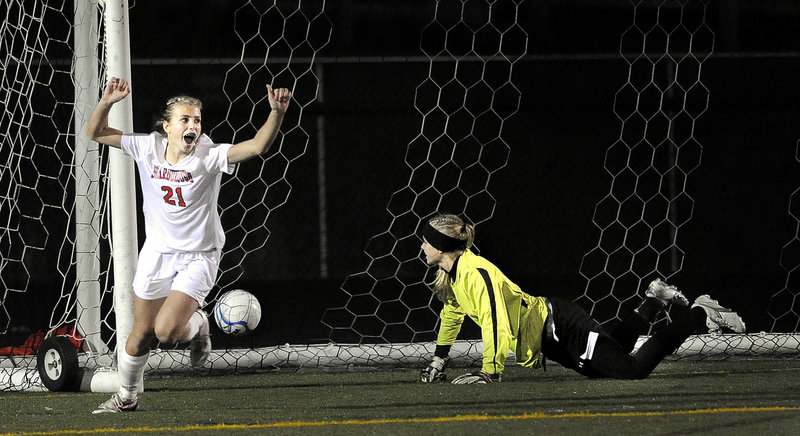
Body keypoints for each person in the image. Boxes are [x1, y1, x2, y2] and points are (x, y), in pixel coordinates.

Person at [86, 77, 292, 412]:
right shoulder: (147, 147)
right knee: (141, 334)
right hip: (157, 253)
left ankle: (199, 325)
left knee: (166, 332)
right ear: (166, 126)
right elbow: (95, 132)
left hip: (198, 257)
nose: (192, 125)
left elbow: (256, 146)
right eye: (185, 119)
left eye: (196, 119)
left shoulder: (208, 156)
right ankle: (125, 397)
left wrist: (277, 114)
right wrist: (107, 102)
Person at [418, 213, 746, 384]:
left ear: (441, 245)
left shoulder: (475, 272)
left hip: (558, 326)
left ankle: (700, 313)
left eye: (426, 242)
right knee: (605, 359)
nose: (421, 247)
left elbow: (497, 321)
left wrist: (490, 372)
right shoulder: (454, 274)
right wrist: (439, 358)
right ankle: (654, 300)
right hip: (552, 333)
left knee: (630, 370)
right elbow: (452, 315)